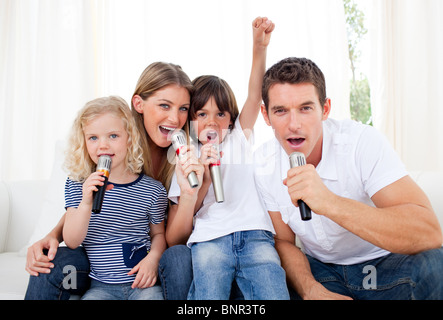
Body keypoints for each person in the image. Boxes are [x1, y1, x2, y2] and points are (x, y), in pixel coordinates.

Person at [253, 56, 443, 300]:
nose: (294, 124)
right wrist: (310, 290)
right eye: (280, 111)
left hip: (381, 266)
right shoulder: (263, 163)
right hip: (320, 272)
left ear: (325, 109)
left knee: (435, 266)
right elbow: (284, 242)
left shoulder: (361, 143)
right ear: (266, 116)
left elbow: (429, 232)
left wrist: (329, 202)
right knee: (253, 286)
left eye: (306, 108)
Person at [24, 62, 193, 300]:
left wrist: (154, 257)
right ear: (139, 104)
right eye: (164, 105)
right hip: (100, 277)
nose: (175, 118)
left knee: (177, 260)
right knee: (53, 261)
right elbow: (76, 224)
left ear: (127, 138)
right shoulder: (99, 161)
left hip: (146, 269)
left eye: (183, 108)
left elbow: (164, 236)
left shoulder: (184, 155)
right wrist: (53, 234)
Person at [167, 17, 289, 300]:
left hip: (255, 235)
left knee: (272, 289)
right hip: (210, 240)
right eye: (202, 114)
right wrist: (205, 179)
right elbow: (187, 216)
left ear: (231, 119)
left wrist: (259, 47)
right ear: (191, 121)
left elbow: (254, 93)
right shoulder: (185, 158)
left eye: (221, 114)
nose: (213, 122)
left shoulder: (238, 138)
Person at [62, 96, 166, 300]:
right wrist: (86, 203)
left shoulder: (152, 190)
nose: (103, 146)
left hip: (142, 285)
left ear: (130, 138)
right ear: (83, 142)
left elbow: (159, 235)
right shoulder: (77, 184)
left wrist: (153, 259)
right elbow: (72, 241)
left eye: (113, 136)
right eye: (93, 138)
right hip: (100, 287)